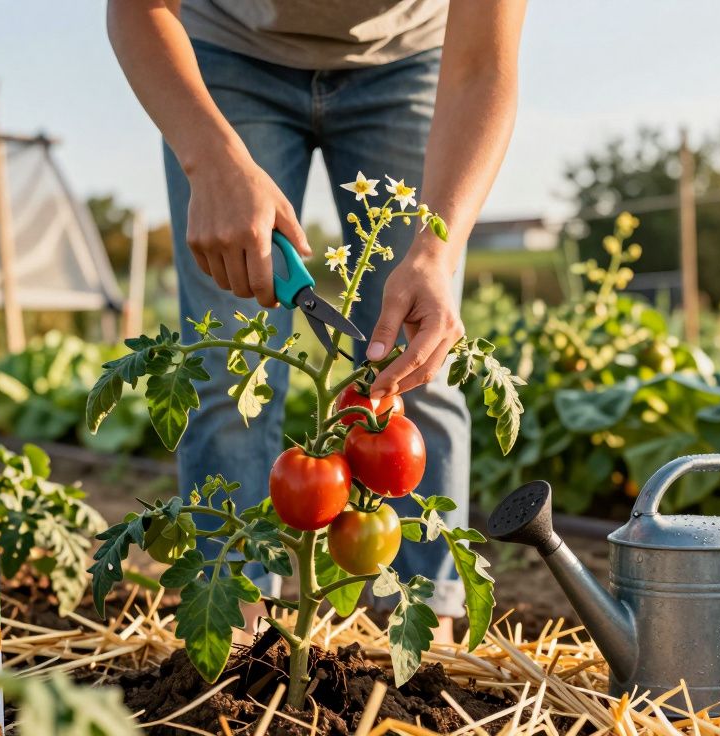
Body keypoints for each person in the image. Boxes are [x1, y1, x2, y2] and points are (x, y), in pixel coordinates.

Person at [108, 0, 528, 642]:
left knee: (417, 364)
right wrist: (210, 159)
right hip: (224, 53)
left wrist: (436, 249)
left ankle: (426, 630)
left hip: (411, 60)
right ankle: (231, 629)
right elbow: (136, 8)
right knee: (227, 369)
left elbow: (482, 66)